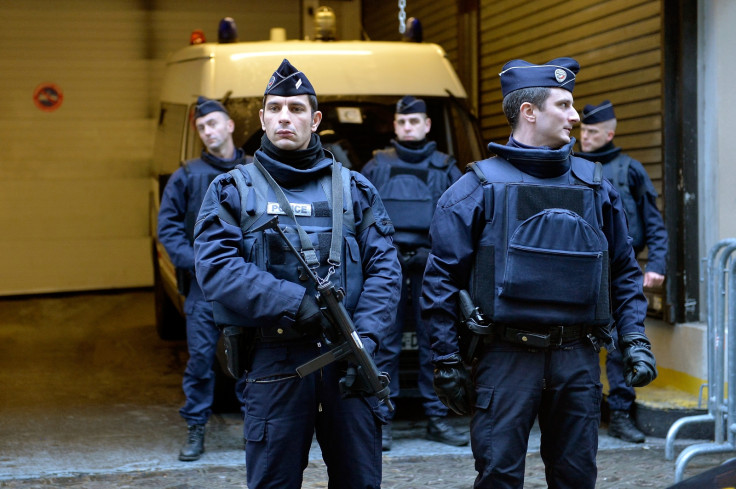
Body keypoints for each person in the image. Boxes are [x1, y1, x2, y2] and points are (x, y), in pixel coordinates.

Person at [421, 57, 658, 489]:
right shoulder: (475, 189)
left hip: (577, 358)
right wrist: (446, 360)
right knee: (498, 476)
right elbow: (440, 283)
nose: (574, 117)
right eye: (564, 105)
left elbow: (623, 270)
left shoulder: (595, 185)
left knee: (575, 477)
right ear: (529, 111)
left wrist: (635, 338)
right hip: (504, 357)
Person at [192, 59, 401, 489]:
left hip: (351, 358)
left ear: (316, 119)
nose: (286, 116)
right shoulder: (231, 190)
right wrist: (293, 303)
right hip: (275, 362)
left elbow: (385, 268)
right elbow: (216, 268)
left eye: (297, 108)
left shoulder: (356, 189)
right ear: (263, 117)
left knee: (361, 481)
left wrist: (369, 338)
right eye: (276, 108)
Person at [361, 95, 467, 450]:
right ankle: (383, 419)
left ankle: (437, 418)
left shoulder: (446, 167)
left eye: (414, 121)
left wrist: (435, 253)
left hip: (431, 264)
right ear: (395, 126)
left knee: (435, 342)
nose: (408, 127)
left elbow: (460, 218)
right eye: (402, 122)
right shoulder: (376, 166)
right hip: (387, 265)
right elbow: (359, 218)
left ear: (426, 125)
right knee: (384, 344)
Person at [157, 96, 248, 461]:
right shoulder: (187, 176)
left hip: (245, 285)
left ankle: (254, 427)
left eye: (214, 123)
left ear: (229, 125)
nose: (208, 131)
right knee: (199, 362)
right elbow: (168, 229)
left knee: (249, 360)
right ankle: (196, 428)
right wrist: (198, 262)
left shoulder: (255, 170)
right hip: (204, 287)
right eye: (201, 127)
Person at [576, 100, 668, 443]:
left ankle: (620, 413)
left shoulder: (630, 170)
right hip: (580, 271)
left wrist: (656, 265)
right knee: (573, 344)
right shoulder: (570, 168)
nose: (585, 137)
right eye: (583, 130)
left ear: (610, 134)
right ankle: (579, 414)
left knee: (621, 344)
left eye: (593, 132)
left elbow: (654, 224)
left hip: (620, 269)